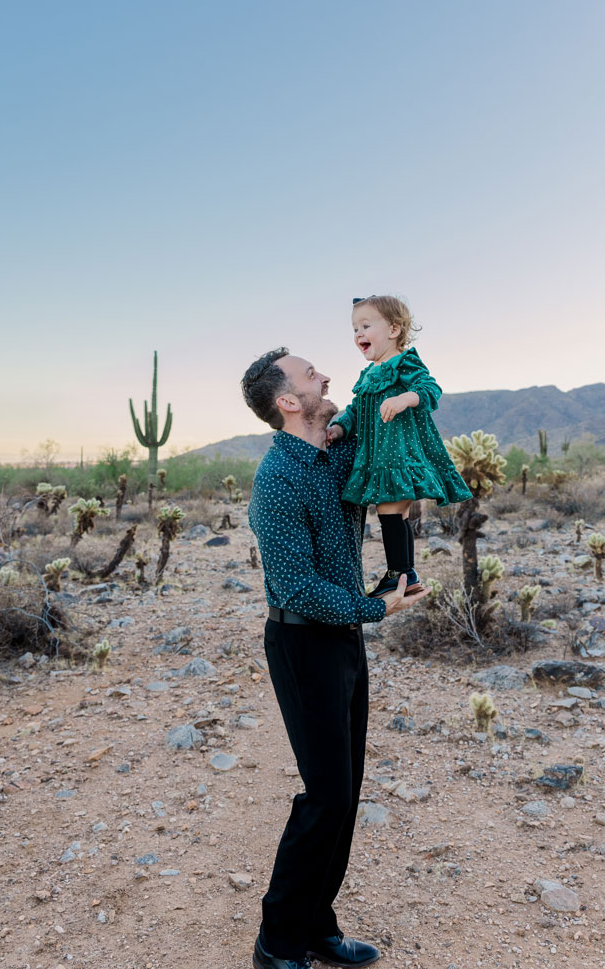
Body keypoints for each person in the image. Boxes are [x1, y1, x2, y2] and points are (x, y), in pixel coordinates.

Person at [242, 347, 428, 969]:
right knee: (324, 796)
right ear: (289, 402)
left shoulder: (339, 453)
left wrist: (402, 374)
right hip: (300, 642)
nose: (324, 373)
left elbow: (379, 421)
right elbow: (294, 587)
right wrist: (380, 610)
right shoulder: (277, 480)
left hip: (343, 634)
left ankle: (318, 927)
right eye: (309, 373)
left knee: (345, 794)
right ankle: (277, 942)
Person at [327, 295, 472, 598]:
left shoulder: (405, 361)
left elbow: (429, 389)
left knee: (389, 512)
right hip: (379, 455)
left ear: (393, 330)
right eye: (355, 328)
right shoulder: (368, 375)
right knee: (398, 514)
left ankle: (397, 574)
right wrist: (341, 427)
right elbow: (356, 410)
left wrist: (404, 398)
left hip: (397, 453)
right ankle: (407, 573)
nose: (358, 334)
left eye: (366, 325)